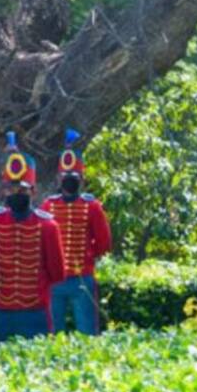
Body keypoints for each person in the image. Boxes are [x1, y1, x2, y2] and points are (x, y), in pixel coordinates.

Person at [0, 134, 65, 345]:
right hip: (1, 311)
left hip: (35, 311)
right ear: (4, 190)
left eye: (22, 189)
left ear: (32, 191)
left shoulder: (48, 226)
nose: (16, 193)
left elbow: (57, 273)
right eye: (11, 188)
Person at [41, 129, 112, 335]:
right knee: (52, 334)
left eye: (74, 175)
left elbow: (103, 243)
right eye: (66, 175)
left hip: (82, 277)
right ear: (59, 178)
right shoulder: (48, 206)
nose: (70, 179)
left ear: (81, 178)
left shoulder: (92, 206)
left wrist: (87, 258)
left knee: (88, 332)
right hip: (55, 280)